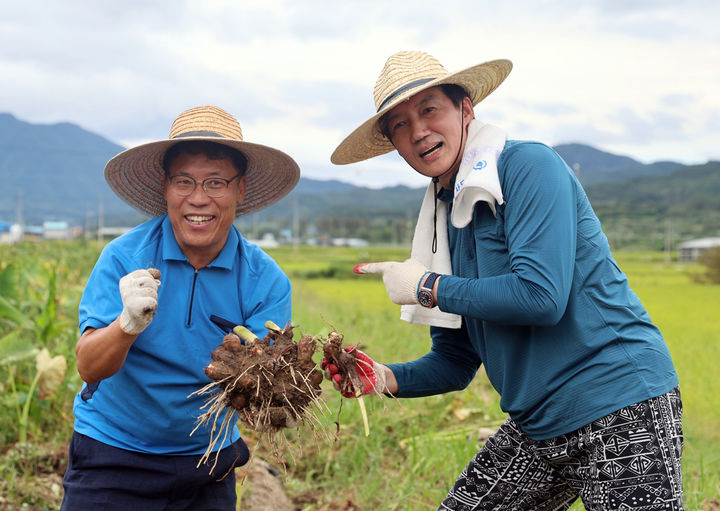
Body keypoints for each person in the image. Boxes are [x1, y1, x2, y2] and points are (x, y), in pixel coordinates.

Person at [326, 51, 684, 510]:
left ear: (466, 108)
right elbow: (455, 360)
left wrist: (428, 286)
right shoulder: (443, 223)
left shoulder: (527, 166)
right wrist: (385, 378)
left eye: (429, 109)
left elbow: (540, 296)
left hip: (617, 403)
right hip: (538, 422)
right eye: (399, 124)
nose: (418, 132)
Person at [61, 105, 300, 510]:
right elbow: (88, 367)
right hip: (113, 452)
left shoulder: (264, 279)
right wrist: (126, 325)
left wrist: (284, 379)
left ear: (240, 190)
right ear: (165, 187)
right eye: (184, 181)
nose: (198, 199)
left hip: (208, 461)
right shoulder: (124, 258)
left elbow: (265, 382)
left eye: (216, 183)